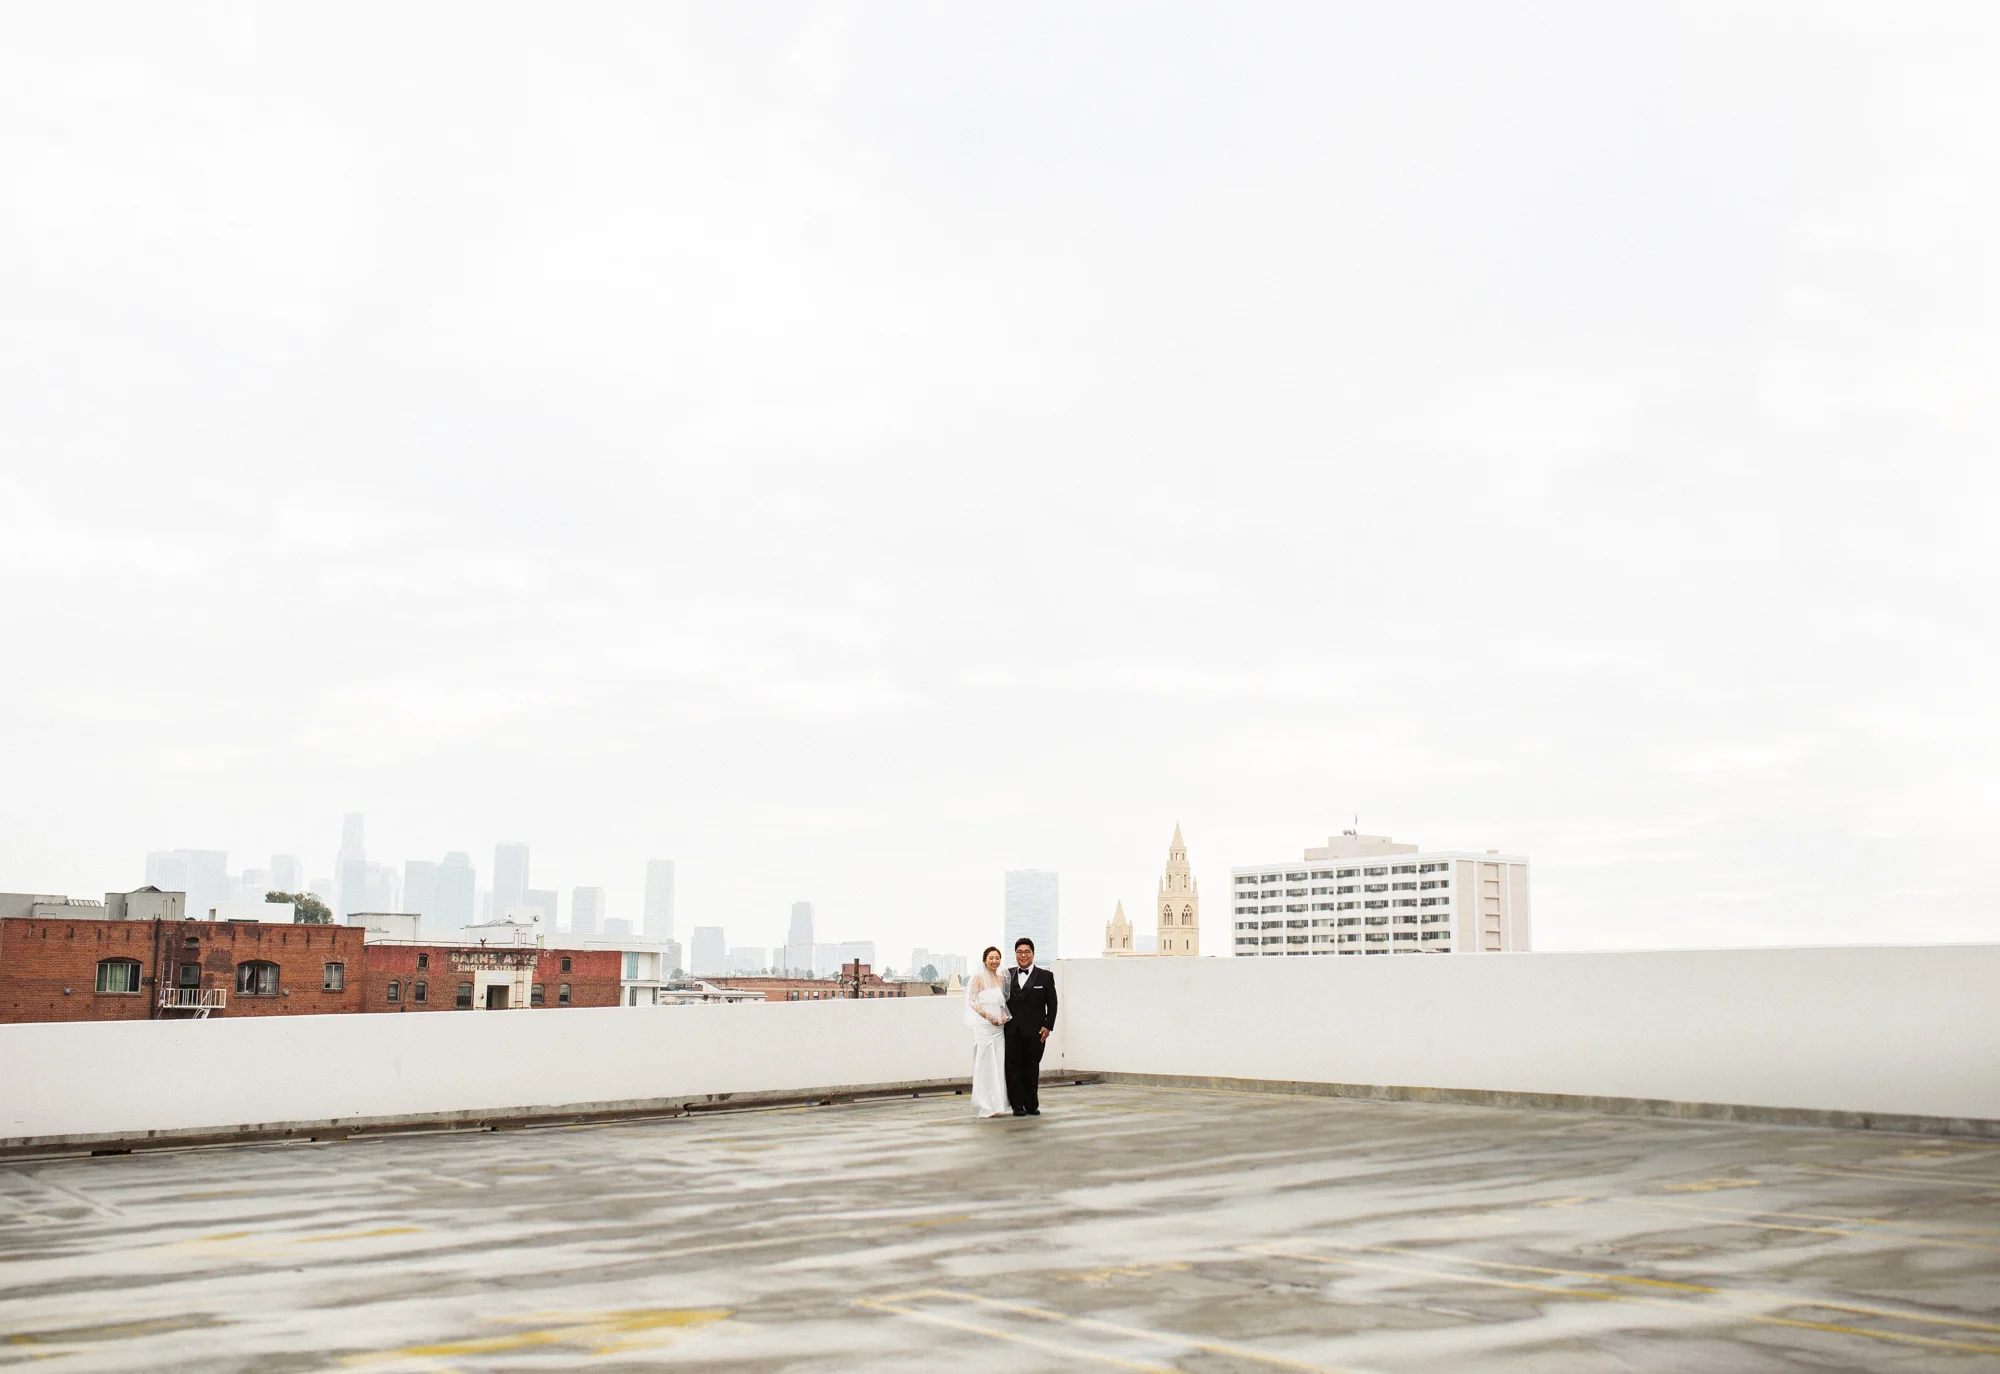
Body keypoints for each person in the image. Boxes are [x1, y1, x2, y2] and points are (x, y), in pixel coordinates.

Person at [1003, 936, 1058, 1117]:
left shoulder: (1046, 976)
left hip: (1036, 1032)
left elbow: (1052, 1003)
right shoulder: (1007, 975)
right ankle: (1017, 1106)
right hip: (1012, 1031)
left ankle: (1031, 1105)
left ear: (1033, 954)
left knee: (1032, 1069)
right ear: (1015, 954)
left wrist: (1047, 1026)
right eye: (1019, 952)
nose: (1023, 955)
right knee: (1013, 1069)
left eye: (1027, 952)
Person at [964, 946, 1012, 1118]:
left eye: (997, 958)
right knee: (985, 1064)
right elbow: (971, 1001)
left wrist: (1003, 1016)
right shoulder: (977, 978)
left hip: (999, 1028)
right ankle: (985, 1105)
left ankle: (998, 1105)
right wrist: (986, 1015)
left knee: (998, 1064)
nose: (994, 961)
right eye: (991, 958)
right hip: (984, 1026)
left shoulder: (1001, 979)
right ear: (985, 960)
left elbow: (1002, 1004)